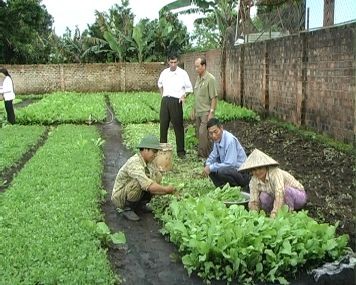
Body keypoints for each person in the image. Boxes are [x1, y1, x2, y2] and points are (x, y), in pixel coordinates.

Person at [111, 134, 176, 221]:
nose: (156, 155)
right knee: (140, 182)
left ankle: (140, 205)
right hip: (120, 197)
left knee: (156, 177)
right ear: (145, 149)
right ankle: (127, 209)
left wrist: (167, 191)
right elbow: (148, 186)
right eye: (154, 151)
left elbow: (155, 183)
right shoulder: (134, 162)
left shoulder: (150, 162)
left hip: (131, 192)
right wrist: (166, 190)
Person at [238, 148, 307, 218]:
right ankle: (272, 213)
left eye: (260, 168)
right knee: (263, 196)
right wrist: (253, 215)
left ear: (265, 167)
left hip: (297, 196)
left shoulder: (275, 173)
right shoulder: (253, 181)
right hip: (276, 197)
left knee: (286, 191)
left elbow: (280, 194)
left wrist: (275, 213)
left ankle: (288, 214)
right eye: (254, 170)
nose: (257, 172)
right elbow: (254, 200)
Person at [158, 53, 193, 159]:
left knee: (178, 127)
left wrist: (184, 96)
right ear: (168, 62)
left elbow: (189, 88)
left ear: (178, 62)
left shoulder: (183, 73)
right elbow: (159, 84)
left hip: (176, 101)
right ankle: (162, 149)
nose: (173, 64)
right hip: (165, 101)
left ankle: (181, 152)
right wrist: (162, 95)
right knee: (163, 126)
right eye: (171, 62)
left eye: (175, 62)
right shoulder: (164, 72)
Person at [203, 118, 250, 190]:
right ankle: (221, 188)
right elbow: (214, 155)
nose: (214, 136)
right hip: (231, 170)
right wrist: (207, 164)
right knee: (208, 165)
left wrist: (211, 167)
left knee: (221, 171)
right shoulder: (217, 139)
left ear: (221, 128)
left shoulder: (230, 140)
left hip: (242, 173)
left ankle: (237, 189)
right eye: (211, 133)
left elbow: (230, 164)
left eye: (215, 132)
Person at [191, 57, 218, 158]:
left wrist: (211, 112)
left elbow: (214, 98)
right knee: (200, 134)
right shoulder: (198, 78)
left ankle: (202, 156)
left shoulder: (210, 79)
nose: (196, 69)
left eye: (198, 67)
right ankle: (209, 154)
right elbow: (196, 95)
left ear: (204, 66)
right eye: (195, 67)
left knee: (203, 133)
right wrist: (193, 109)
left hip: (206, 112)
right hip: (198, 111)